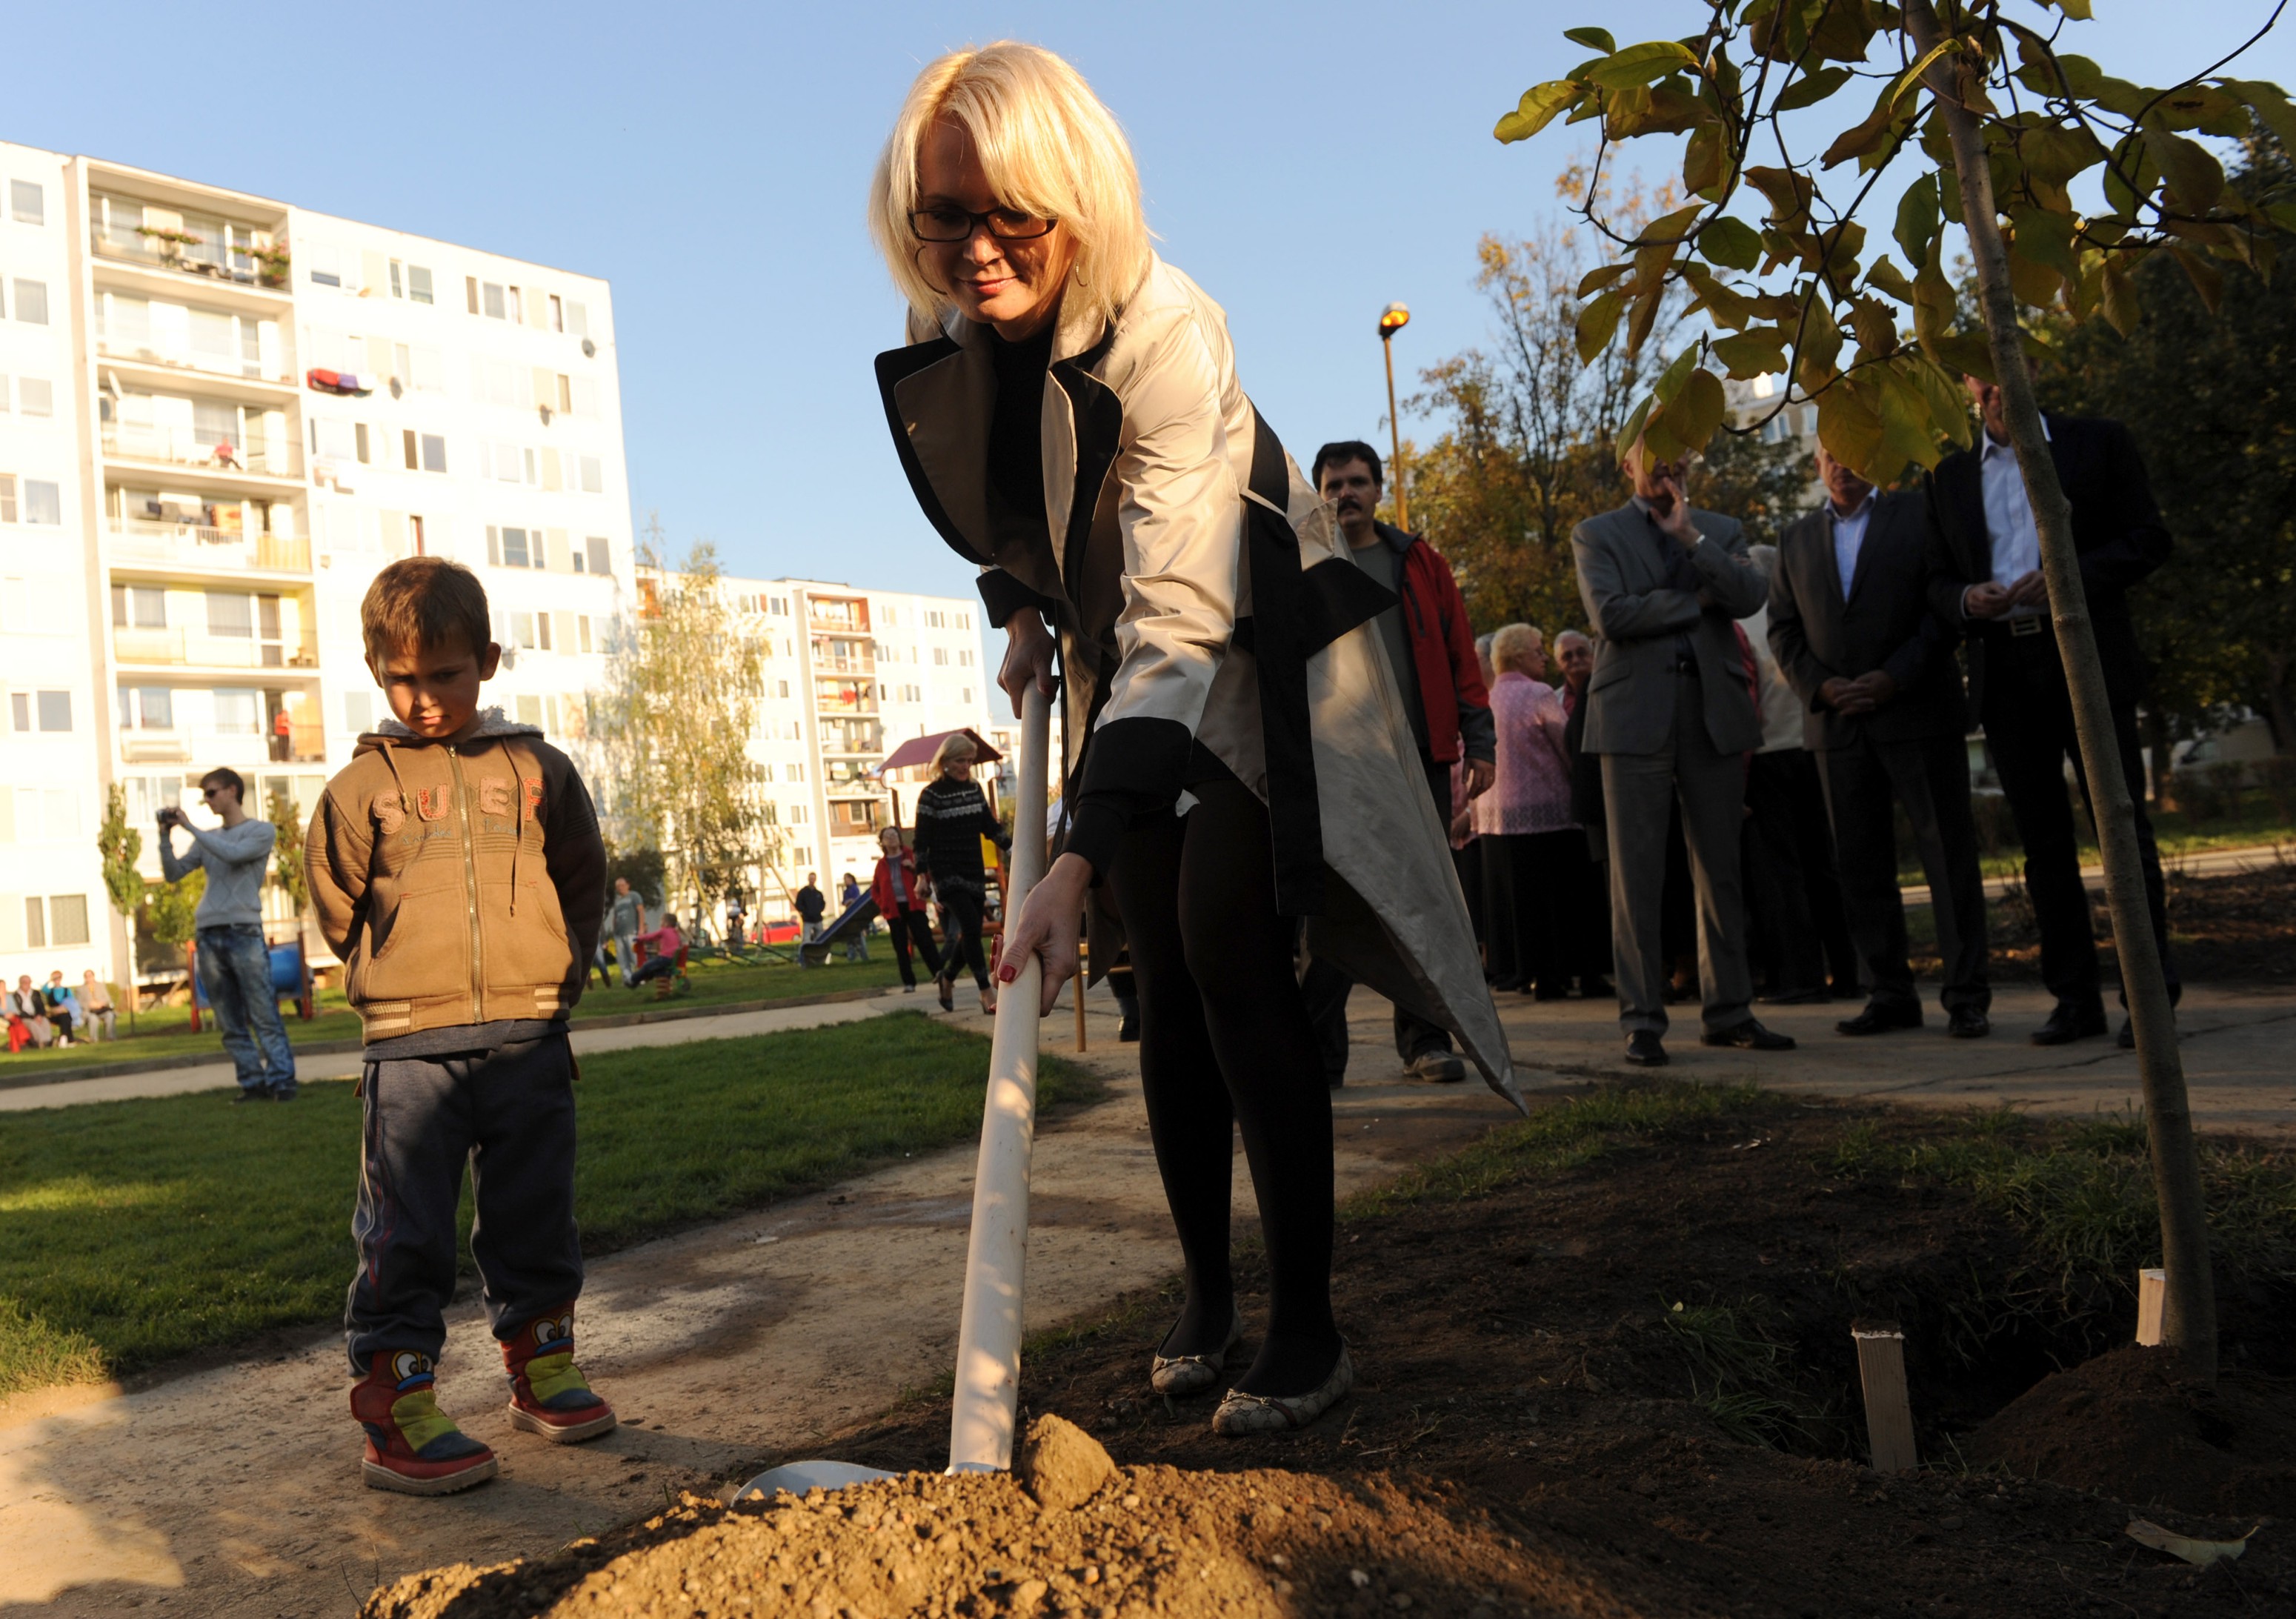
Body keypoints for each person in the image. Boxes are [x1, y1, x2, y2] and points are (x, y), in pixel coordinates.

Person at [869, 42, 1512, 1435]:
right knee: (1158, 970)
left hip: (1250, 653)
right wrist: (1021, 605)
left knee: (1225, 938)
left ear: (1073, 202)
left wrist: (1072, 858)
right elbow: (996, 495)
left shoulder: (1168, 333)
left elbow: (1178, 621)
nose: (974, 250)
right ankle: (1206, 1296)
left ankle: (1307, 1322)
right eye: (943, 218)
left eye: (1008, 218)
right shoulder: (952, 322)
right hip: (1120, 656)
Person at [305, 555, 614, 1495]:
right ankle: (397, 1406)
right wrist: (397, 969)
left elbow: (582, 878)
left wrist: (553, 974)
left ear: (485, 660)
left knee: (534, 1209)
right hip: (409, 1048)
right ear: (376, 671)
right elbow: (333, 902)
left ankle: (543, 1367)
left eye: (445, 674)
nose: (427, 697)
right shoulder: (362, 787)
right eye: (405, 678)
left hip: (529, 1034)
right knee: (405, 1230)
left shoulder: (538, 769)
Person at [1926, 380, 2175, 1048]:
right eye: (1977, 377)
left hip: (2085, 656)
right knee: (2043, 847)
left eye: (2004, 369)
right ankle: (2074, 1001)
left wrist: (2067, 573)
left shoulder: (2097, 442)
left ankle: (2148, 999)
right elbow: (1933, 579)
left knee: (2120, 831)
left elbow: (2149, 539)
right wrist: (1962, 598)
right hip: (2004, 671)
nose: (1993, 388)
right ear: (1965, 386)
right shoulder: (1946, 478)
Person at [1572, 439, 1797, 1067]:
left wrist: (1691, 540)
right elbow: (1610, 616)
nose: (1666, 466)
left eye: (1676, 456)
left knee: (1719, 869)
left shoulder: (1721, 530)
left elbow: (1749, 597)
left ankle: (1729, 1011)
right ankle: (1641, 1019)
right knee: (1636, 876)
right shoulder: (1595, 534)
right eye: (1653, 454)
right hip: (1631, 718)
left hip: (1713, 714)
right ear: (1628, 464)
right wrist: (1697, 602)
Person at [1774, 448, 1991, 1038]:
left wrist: (1894, 676)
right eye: (1827, 457)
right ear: (1816, 463)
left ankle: (1966, 995)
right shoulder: (1793, 538)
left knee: (1946, 857)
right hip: (1837, 725)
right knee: (1859, 865)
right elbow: (1783, 631)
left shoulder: (1919, 513)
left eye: (1849, 454)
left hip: (1917, 711)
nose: (1839, 466)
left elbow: (1941, 608)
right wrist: (1821, 687)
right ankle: (1888, 994)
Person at [1297, 440, 1495, 1083]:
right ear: (1319, 492)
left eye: (1357, 482)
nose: (1345, 494)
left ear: (1379, 490)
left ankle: (1424, 1042)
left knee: (1422, 903)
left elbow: (1460, 651)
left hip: (1417, 758)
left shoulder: (1420, 562)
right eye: (1333, 484)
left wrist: (1480, 740)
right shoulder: (1303, 564)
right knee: (1335, 904)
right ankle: (1317, 1056)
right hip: (1336, 766)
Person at [1737, 547, 1858, 1006]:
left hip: (1767, 757)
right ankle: (1849, 971)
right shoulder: (1805, 612)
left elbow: (1746, 696)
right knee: (1826, 865)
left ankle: (1799, 976)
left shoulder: (1743, 623)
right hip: (1817, 744)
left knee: (1780, 873)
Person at [159, 768, 297, 1100]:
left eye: (211, 792)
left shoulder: (261, 831)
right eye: (204, 794)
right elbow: (174, 874)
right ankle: (253, 1085)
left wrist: (190, 827)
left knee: (263, 1011)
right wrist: (164, 836)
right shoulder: (208, 838)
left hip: (244, 932)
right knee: (228, 1019)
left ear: (232, 791)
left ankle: (282, 1083)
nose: (206, 801)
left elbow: (234, 855)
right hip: (208, 934)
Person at [1474, 625, 1579, 998]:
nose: (1545, 657)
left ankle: (1521, 972)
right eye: (1538, 651)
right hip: (1544, 812)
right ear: (1518, 656)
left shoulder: (1485, 699)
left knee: (1512, 905)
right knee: (1549, 902)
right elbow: (1565, 746)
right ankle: (1554, 976)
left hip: (1493, 816)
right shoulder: (1539, 694)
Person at [913, 734, 1008, 1015]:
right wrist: (921, 876)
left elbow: (988, 826)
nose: (965, 766)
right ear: (944, 762)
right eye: (959, 761)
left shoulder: (974, 789)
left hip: (972, 869)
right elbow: (921, 840)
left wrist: (1015, 846)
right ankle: (985, 990)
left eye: (969, 761)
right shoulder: (931, 795)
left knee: (971, 930)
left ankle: (948, 977)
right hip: (945, 872)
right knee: (970, 924)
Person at [1550, 631, 1615, 999]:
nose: (1575, 661)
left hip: (1610, 803)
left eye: (1581, 653)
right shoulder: (1557, 701)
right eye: (1567, 657)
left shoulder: (1604, 690)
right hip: (1583, 812)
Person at [872, 827, 943, 991]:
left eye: (894, 835)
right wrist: (882, 903)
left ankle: (941, 975)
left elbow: (927, 876)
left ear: (900, 838)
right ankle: (909, 983)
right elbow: (875, 889)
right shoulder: (881, 864)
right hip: (893, 910)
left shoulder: (911, 855)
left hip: (914, 905)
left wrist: (912, 867)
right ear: (882, 842)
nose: (891, 839)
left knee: (925, 941)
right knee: (900, 947)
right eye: (887, 836)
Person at [628, 912, 686, 994]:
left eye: (661, 921)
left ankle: (633, 980)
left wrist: (639, 939)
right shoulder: (675, 933)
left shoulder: (664, 931)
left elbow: (651, 936)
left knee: (647, 966)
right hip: (671, 960)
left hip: (664, 959)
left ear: (666, 923)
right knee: (657, 970)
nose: (660, 923)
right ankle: (663, 992)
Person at [606, 877, 643, 988]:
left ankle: (641, 977)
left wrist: (641, 928)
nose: (620, 888)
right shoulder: (617, 901)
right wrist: (614, 930)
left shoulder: (634, 896)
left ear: (628, 885)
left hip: (631, 931)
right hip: (619, 933)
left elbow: (641, 911)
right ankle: (628, 978)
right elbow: (615, 916)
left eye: (622, 885)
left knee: (634, 955)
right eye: (618, 886)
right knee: (622, 958)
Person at [6, 975, 55, 1048]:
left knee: (45, 1022)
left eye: (28, 982)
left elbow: (41, 1006)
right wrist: (33, 1017)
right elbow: (18, 1010)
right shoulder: (15, 995)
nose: (26, 984)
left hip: (37, 1015)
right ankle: (42, 1041)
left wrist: (39, 1015)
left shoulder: (36, 993)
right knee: (33, 1024)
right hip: (24, 1017)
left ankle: (48, 1040)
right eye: (24, 982)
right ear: (20, 983)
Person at [40, 971, 81, 1045]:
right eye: (55, 979)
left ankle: (64, 1038)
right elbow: (43, 988)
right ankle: (69, 1039)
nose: (56, 980)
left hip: (64, 1012)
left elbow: (72, 1003)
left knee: (65, 1016)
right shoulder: (50, 991)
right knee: (65, 1017)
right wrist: (50, 980)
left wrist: (63, 1009)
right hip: (54, 1014)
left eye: (58, 978)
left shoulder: (67, 990)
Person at [79, 971, 118, 1041]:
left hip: (102, 1009)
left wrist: (101, 1003)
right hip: (89, 1011)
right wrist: (90, 1005)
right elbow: (79, 1003)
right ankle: (94, 1040)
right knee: (93, 1018)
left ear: (93, 976)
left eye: (90, 976)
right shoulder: (80, 989)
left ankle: (110, 1038)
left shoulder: (101, 986)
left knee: (110, 1015)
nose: (88, 978)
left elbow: (108, 998)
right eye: (86, 977)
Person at [839, 871, 870, 961]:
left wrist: (850, 901)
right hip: (849, 915)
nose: (845, 881)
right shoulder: (846, 891)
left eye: (846, 879)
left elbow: (855, 900)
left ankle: (864, 957)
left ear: (850, 879)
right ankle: (852, 957)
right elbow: (845, 902)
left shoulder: (855, 888)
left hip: (855, 915)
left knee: (859, 937)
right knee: (850, 937)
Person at [793, 873, 827, 945]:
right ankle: (806, 954)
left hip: (818, 920)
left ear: (815, 880)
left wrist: (818, 911)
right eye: (811, 878)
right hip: (807, 920)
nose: (812, 880)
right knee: (806, 940)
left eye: (813, 878)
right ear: (808, 879)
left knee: (820, 939)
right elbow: (798, 904)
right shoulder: (803, 893)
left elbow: (823, 904)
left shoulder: (818, 893)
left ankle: (819, 953)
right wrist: (805, 912)